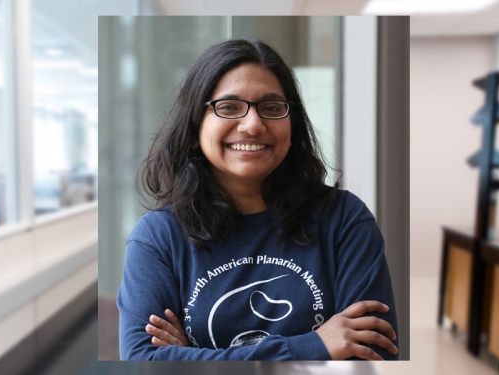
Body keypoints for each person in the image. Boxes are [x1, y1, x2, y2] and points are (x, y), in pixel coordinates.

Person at [117, 38, 399, 361]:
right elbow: (143, 362)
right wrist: (314, 346)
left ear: (292, 127)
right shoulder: (158, 237)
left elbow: (373, 356)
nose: (252, 125)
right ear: (195, 128)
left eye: (272, 108)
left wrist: (193, 357)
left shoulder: (344, 220)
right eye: (228, 107)